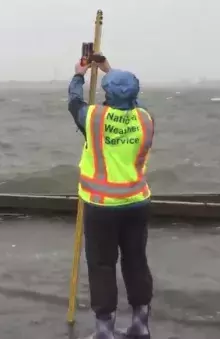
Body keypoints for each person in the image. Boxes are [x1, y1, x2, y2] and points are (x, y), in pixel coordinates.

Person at [68, 54, 155, 339]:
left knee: (102, 265)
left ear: (107, 93)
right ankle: (141, 325)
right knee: (135, 261)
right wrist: (110, 70)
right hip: (136, 203)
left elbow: (74, 102)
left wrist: (79, 75)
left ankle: (105, 330)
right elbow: (129, 97)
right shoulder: (145, 120)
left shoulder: (94, 118)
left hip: (101, 206)